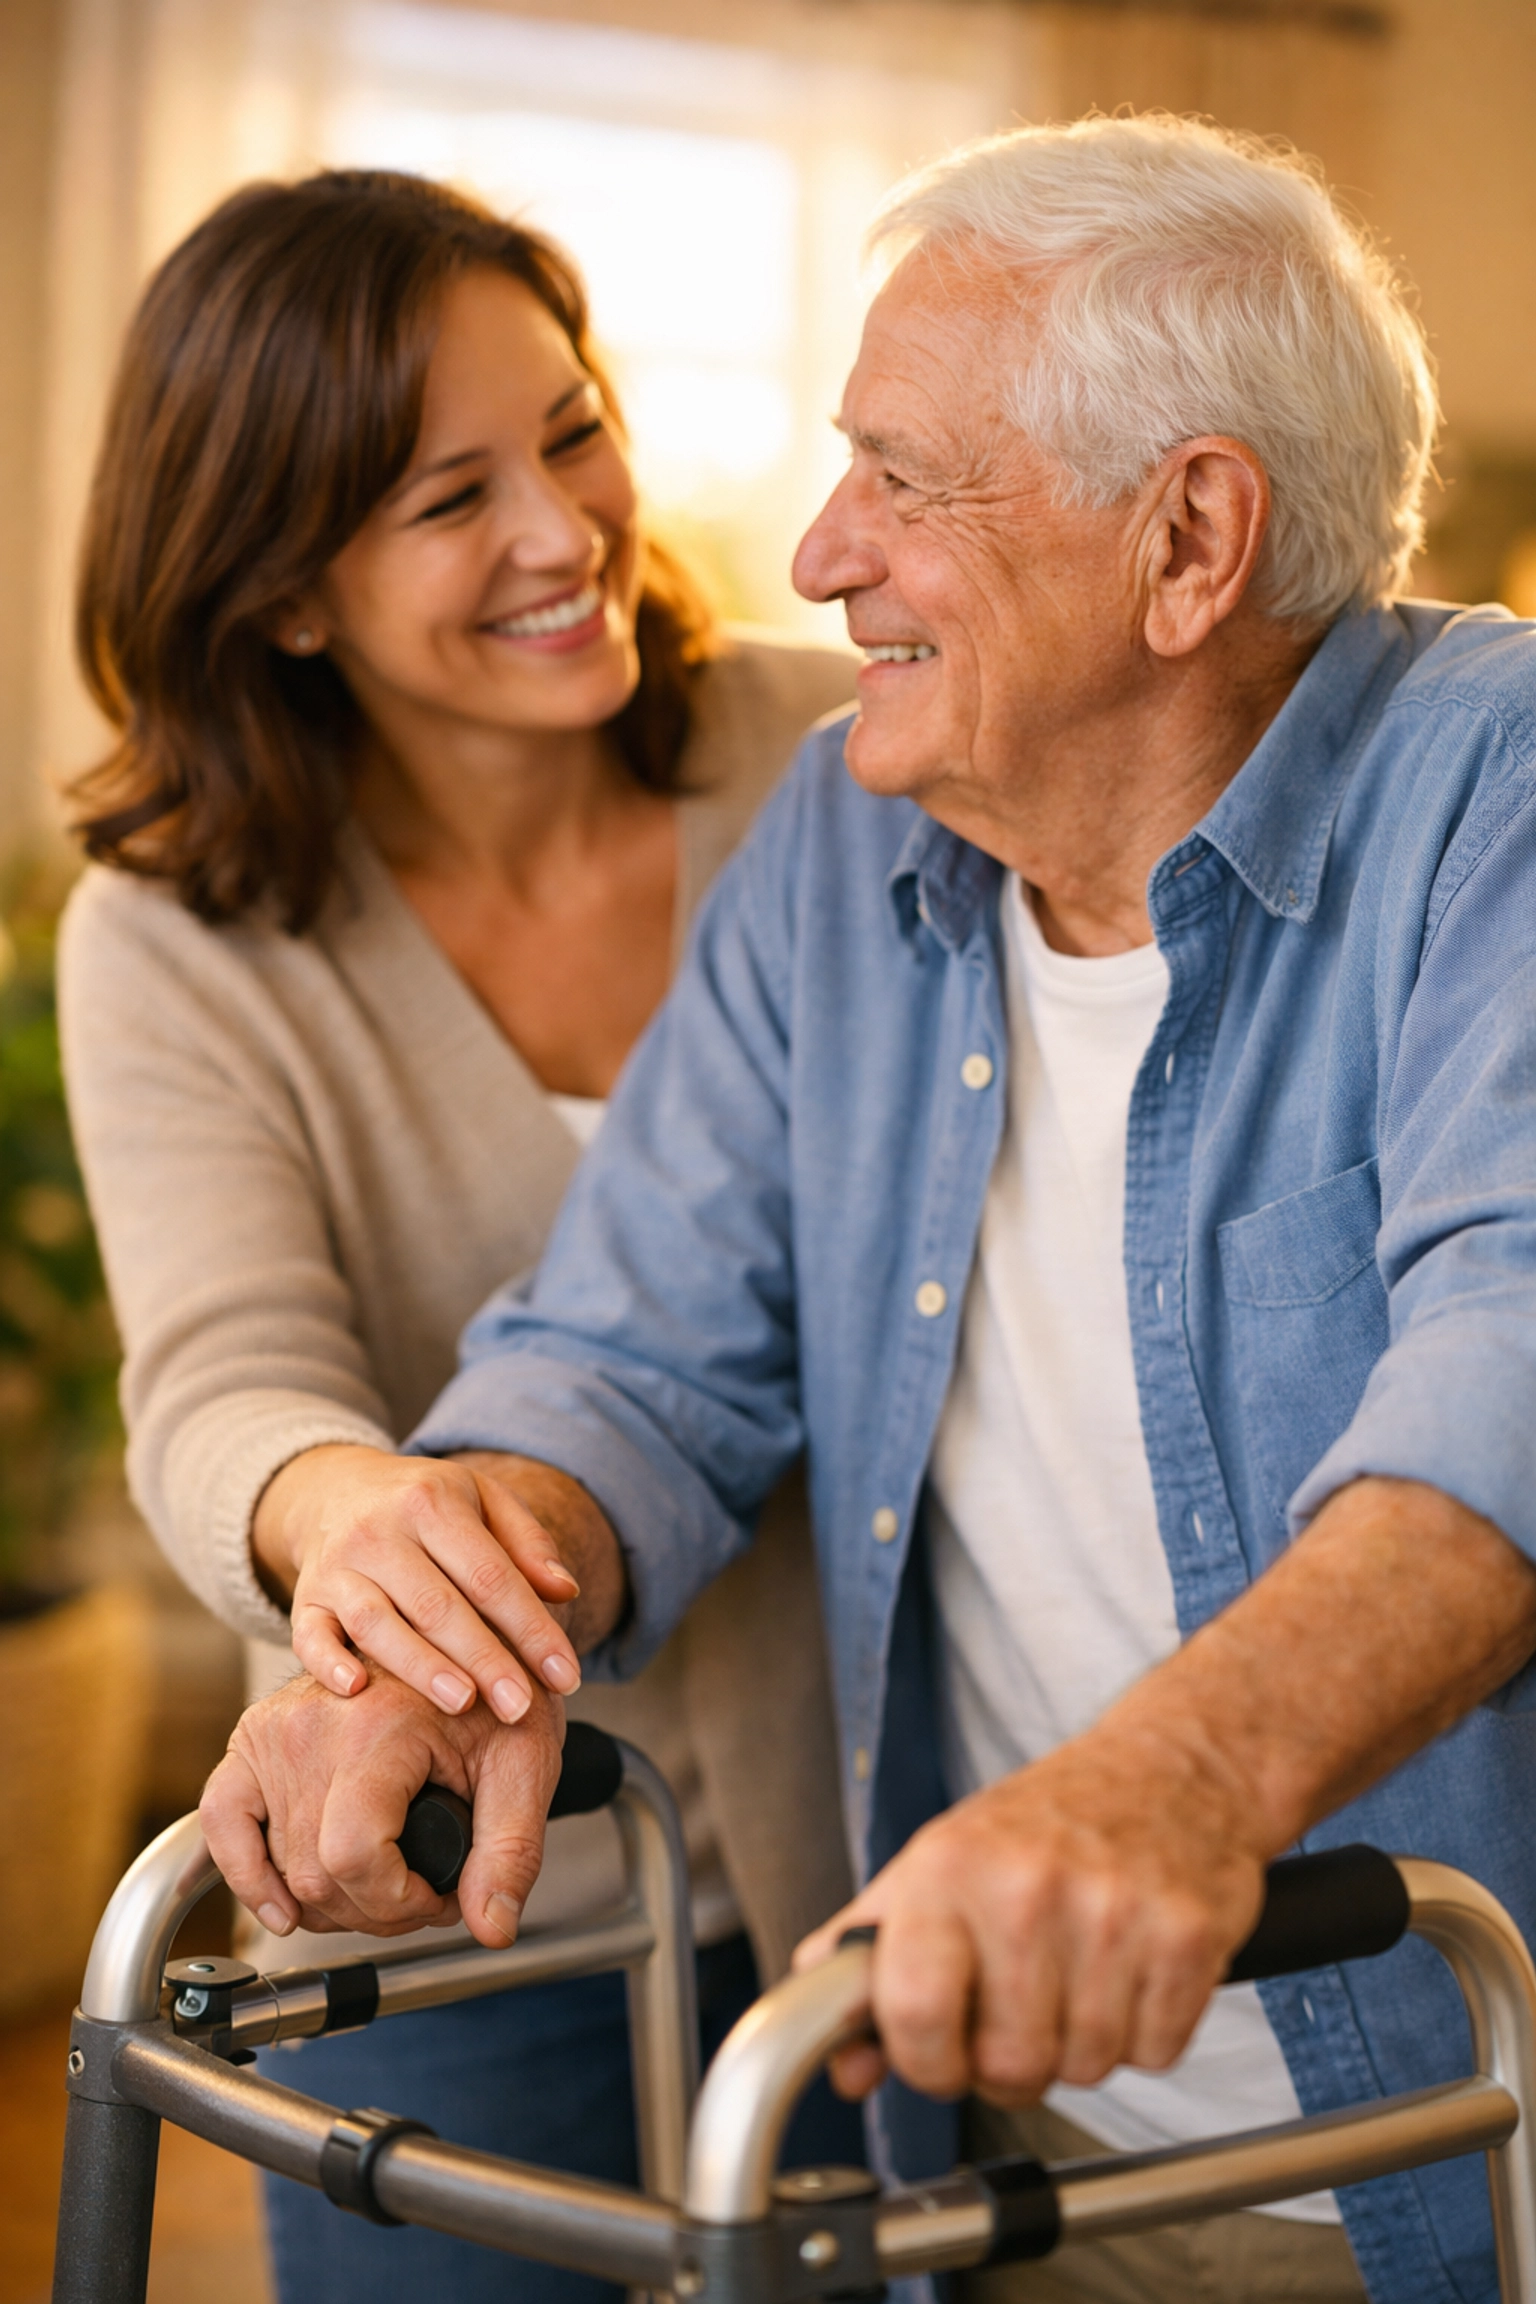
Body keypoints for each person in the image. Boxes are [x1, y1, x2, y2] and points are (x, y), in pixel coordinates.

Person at [198, 114, 1536, 2304]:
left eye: (904, 483)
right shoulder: (846, 847)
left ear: (1190, 539)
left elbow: (1518, 1357)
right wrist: (423, 1650)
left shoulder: (1500, 788)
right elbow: (627, 1357)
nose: (818, 557)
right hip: (989, 2141)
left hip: (1428, 2155)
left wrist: (1172, 1781)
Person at [58, 169, 862, 2304]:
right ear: (287, 589)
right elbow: (226, 1372)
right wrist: (355, 1514)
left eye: (574, 433)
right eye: (447, 498)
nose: (562, 530)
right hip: (436, 1877)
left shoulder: (844, 756)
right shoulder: (181, 932)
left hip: (860, 1821)